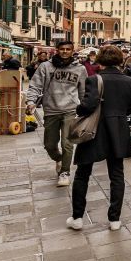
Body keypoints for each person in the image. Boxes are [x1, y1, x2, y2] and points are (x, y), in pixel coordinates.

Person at [67, 45, 131, 232]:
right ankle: (114, 219)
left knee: (83, 173)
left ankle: (77, 217)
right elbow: (129, 107)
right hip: (118, 128)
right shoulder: (129, 81)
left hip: (95, 129)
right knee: (117, 174)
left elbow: (88, 106)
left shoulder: (94, 80)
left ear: (101, 60)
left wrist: (78, 109)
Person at [25, 40, 85, 187]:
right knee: (49, 145)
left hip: (70, 110)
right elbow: (35, 85)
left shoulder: (80, 69)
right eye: (62, 49)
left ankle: (65, 172)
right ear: (57, 50)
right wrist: (31, 101)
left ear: (72, 51)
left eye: (68, 49)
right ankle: (59, 159)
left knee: (67, 143)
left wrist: (85, 109)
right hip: (51, 110)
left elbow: (83, 90)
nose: (65, 51)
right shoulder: (46, 66)